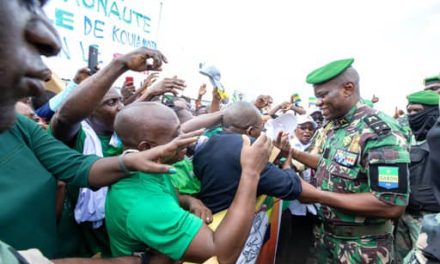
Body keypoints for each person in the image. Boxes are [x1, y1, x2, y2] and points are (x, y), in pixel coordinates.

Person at [0, 2, 191, 262]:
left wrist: (131, 161)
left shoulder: (17, 127)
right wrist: (119, 66)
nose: (51, 41)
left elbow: (78, 167)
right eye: (27, 3)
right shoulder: (78, 134)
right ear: (90, 112)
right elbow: (65, 116)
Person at [106, 102, 274, 263]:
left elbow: (170, 192)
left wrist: (190, 200)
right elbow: (221, 253)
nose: (187, 138)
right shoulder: (144, 204)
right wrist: (251, 172)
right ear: (146, 147)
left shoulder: (146, 165)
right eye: (176, 135)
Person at [291, 58, 410, 263]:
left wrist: (318, 195)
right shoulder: (339, 126)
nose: (318, 103)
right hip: (325, 239)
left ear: (348, 89)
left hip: (363, 247)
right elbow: (330, 165)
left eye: (322, 95)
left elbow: (391, 204)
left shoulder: (378, 132)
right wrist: (292, 152)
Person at [193, 101, 306, 213]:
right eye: (261, 129)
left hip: (208, 219)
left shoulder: (205, 146)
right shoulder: (249, 149)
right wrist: (287, 166)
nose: (262, 134)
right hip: (235, 224)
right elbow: (290, 187)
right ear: (250, 131)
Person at [395, 90, 440, 262]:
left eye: (417, 110)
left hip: (429, 217)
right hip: (404, 213)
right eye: (410, 111)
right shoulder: (405, 138)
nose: (413, 115)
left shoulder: (436, 139)